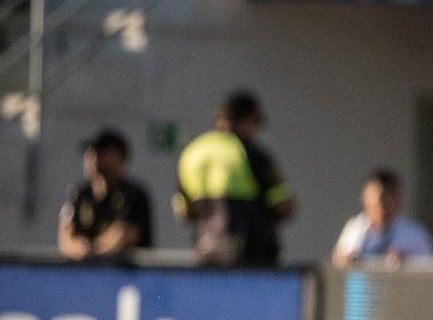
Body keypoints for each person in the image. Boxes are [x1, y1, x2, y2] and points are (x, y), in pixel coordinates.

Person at [173, 90, 293, 267]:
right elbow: (284, 207)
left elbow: (184, 213)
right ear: (251, 118)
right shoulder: (251, 153)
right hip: (252, 259)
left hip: (207, 253)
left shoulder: (191, 153)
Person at [58, 128, 152, 261]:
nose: (93, 157)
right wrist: (79, 250)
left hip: (123, 276)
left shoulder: (133, 194)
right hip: (82, 275)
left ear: (122, 157)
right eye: (90, 152)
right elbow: (66, 238)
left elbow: (125, 235)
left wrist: (92, 253)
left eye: (102, 152)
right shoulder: (79, 194)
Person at [330, 169, 433, 269]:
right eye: (382, 197)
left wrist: (408, 264)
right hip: (360, 287)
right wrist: (347, 260)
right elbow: (338, 260)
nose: (388, 203)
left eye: (393, 196)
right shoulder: (354, 227)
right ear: (365, 197)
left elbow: (430, 269)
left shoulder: (414, 233)